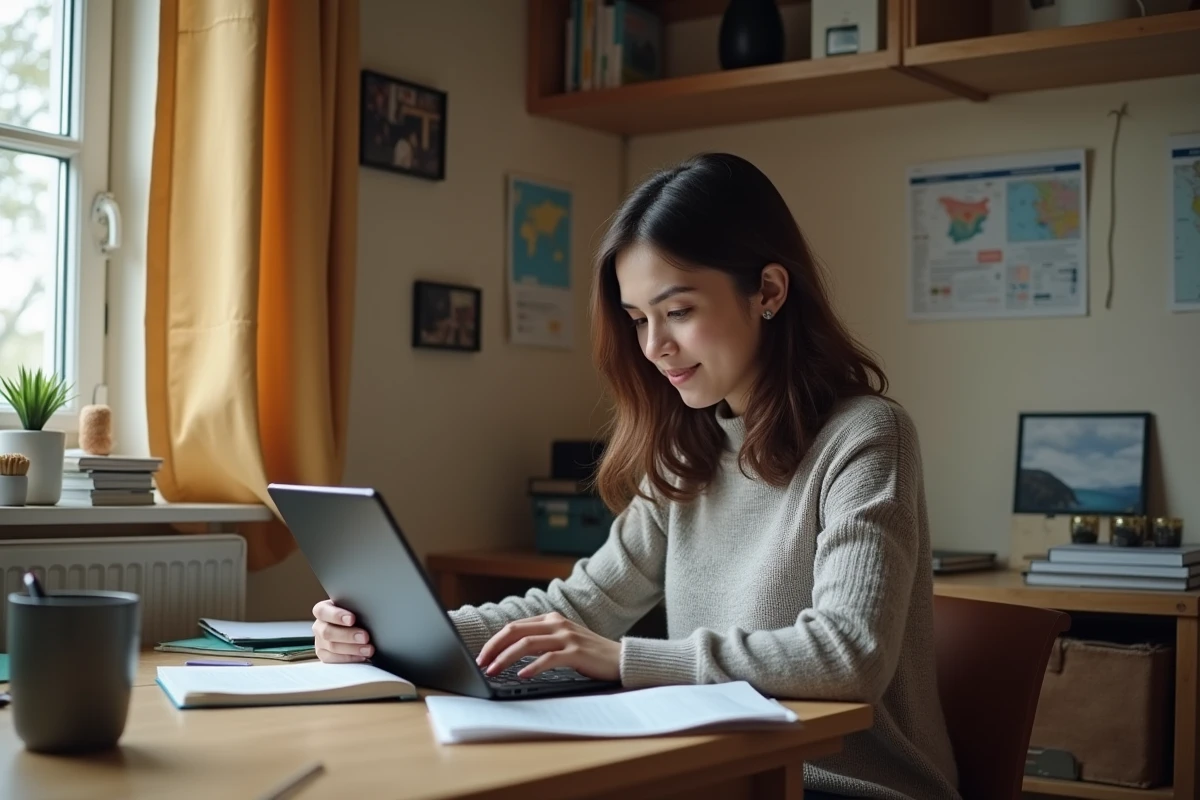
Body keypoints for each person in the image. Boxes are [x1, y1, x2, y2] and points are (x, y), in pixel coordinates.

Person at [312, 153, 961, 800]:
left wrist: (625, 660)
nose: (654, 348)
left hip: (848, 787)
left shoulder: (867, 436)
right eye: (638, 319)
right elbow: (574, 609)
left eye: (676, 311)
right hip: (722, 772)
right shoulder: (688, 452)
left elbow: (850, 657)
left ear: (768, 291)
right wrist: (396, 635)